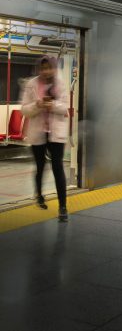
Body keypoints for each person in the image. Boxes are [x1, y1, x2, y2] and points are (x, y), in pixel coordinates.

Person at [21, 56, 69, 222]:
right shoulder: (32, 84)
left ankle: (63, 207)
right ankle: (39, 195)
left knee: (57, 167)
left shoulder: (61, 84)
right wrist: (37, 105)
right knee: (40, 166)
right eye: (43, 68)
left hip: (56, 134)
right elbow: (24, 110)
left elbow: (65, 108)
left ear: (54, 68)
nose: (46, 71)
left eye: (49, 68)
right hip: (38, 132)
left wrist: (52, 105)